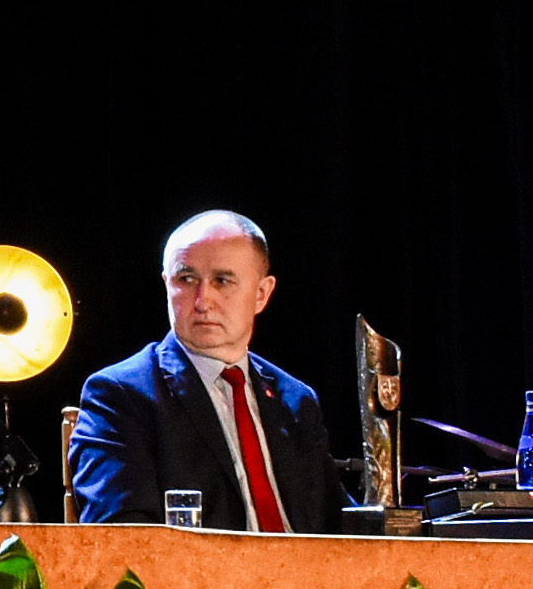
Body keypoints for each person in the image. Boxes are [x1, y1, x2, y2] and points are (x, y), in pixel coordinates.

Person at [68, 208, 334, 529]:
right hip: (194, 564)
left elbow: (338, 524)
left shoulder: (296, 399)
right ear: (167, 284)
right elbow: (123, 534)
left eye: (222, 281)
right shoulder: (121, 395)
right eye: (186, 280)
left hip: (306, 561)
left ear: (262, 294)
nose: (202, 301)